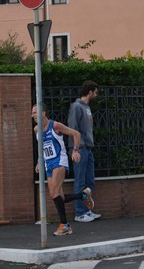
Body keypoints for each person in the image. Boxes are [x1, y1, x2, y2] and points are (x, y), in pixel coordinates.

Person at [32, 103, 94, 236]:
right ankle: (83, 195)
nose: (33, 115)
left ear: (43, 113)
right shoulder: (37, 129)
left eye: (35, 112)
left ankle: (65, 225)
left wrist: (75, 151)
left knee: (55, 193)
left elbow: (76, 134)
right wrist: (39, 161)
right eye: (32, 113)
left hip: (59, 161)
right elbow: (41, 147)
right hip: (48, 164)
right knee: (56, 195)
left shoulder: (55, 126)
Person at [68, 80, 102, 222]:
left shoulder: (86, 107)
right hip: (80, 149)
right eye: (95, 92)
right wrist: (75, 149)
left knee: (89, 181)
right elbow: (73, 127)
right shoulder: (76, 107)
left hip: (88, 148)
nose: (96, 95)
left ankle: (87, 210)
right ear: (90, 91)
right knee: (80, 181)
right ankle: (79, 213)